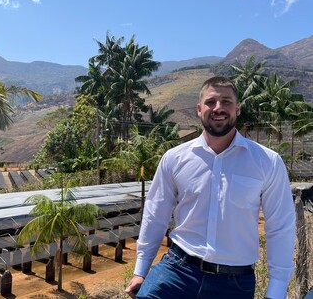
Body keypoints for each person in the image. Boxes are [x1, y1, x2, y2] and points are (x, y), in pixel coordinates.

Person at [125, 76, 295, 299]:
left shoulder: (267, 162)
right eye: (211, 102)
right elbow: (155, 214)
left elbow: (280, 226)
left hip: (233, 284)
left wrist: (276, 291)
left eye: (226, 102)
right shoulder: (174, 158)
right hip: (177, 271)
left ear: (238, 108)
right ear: (198, 109)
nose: (218, 108)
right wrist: (140, 271)